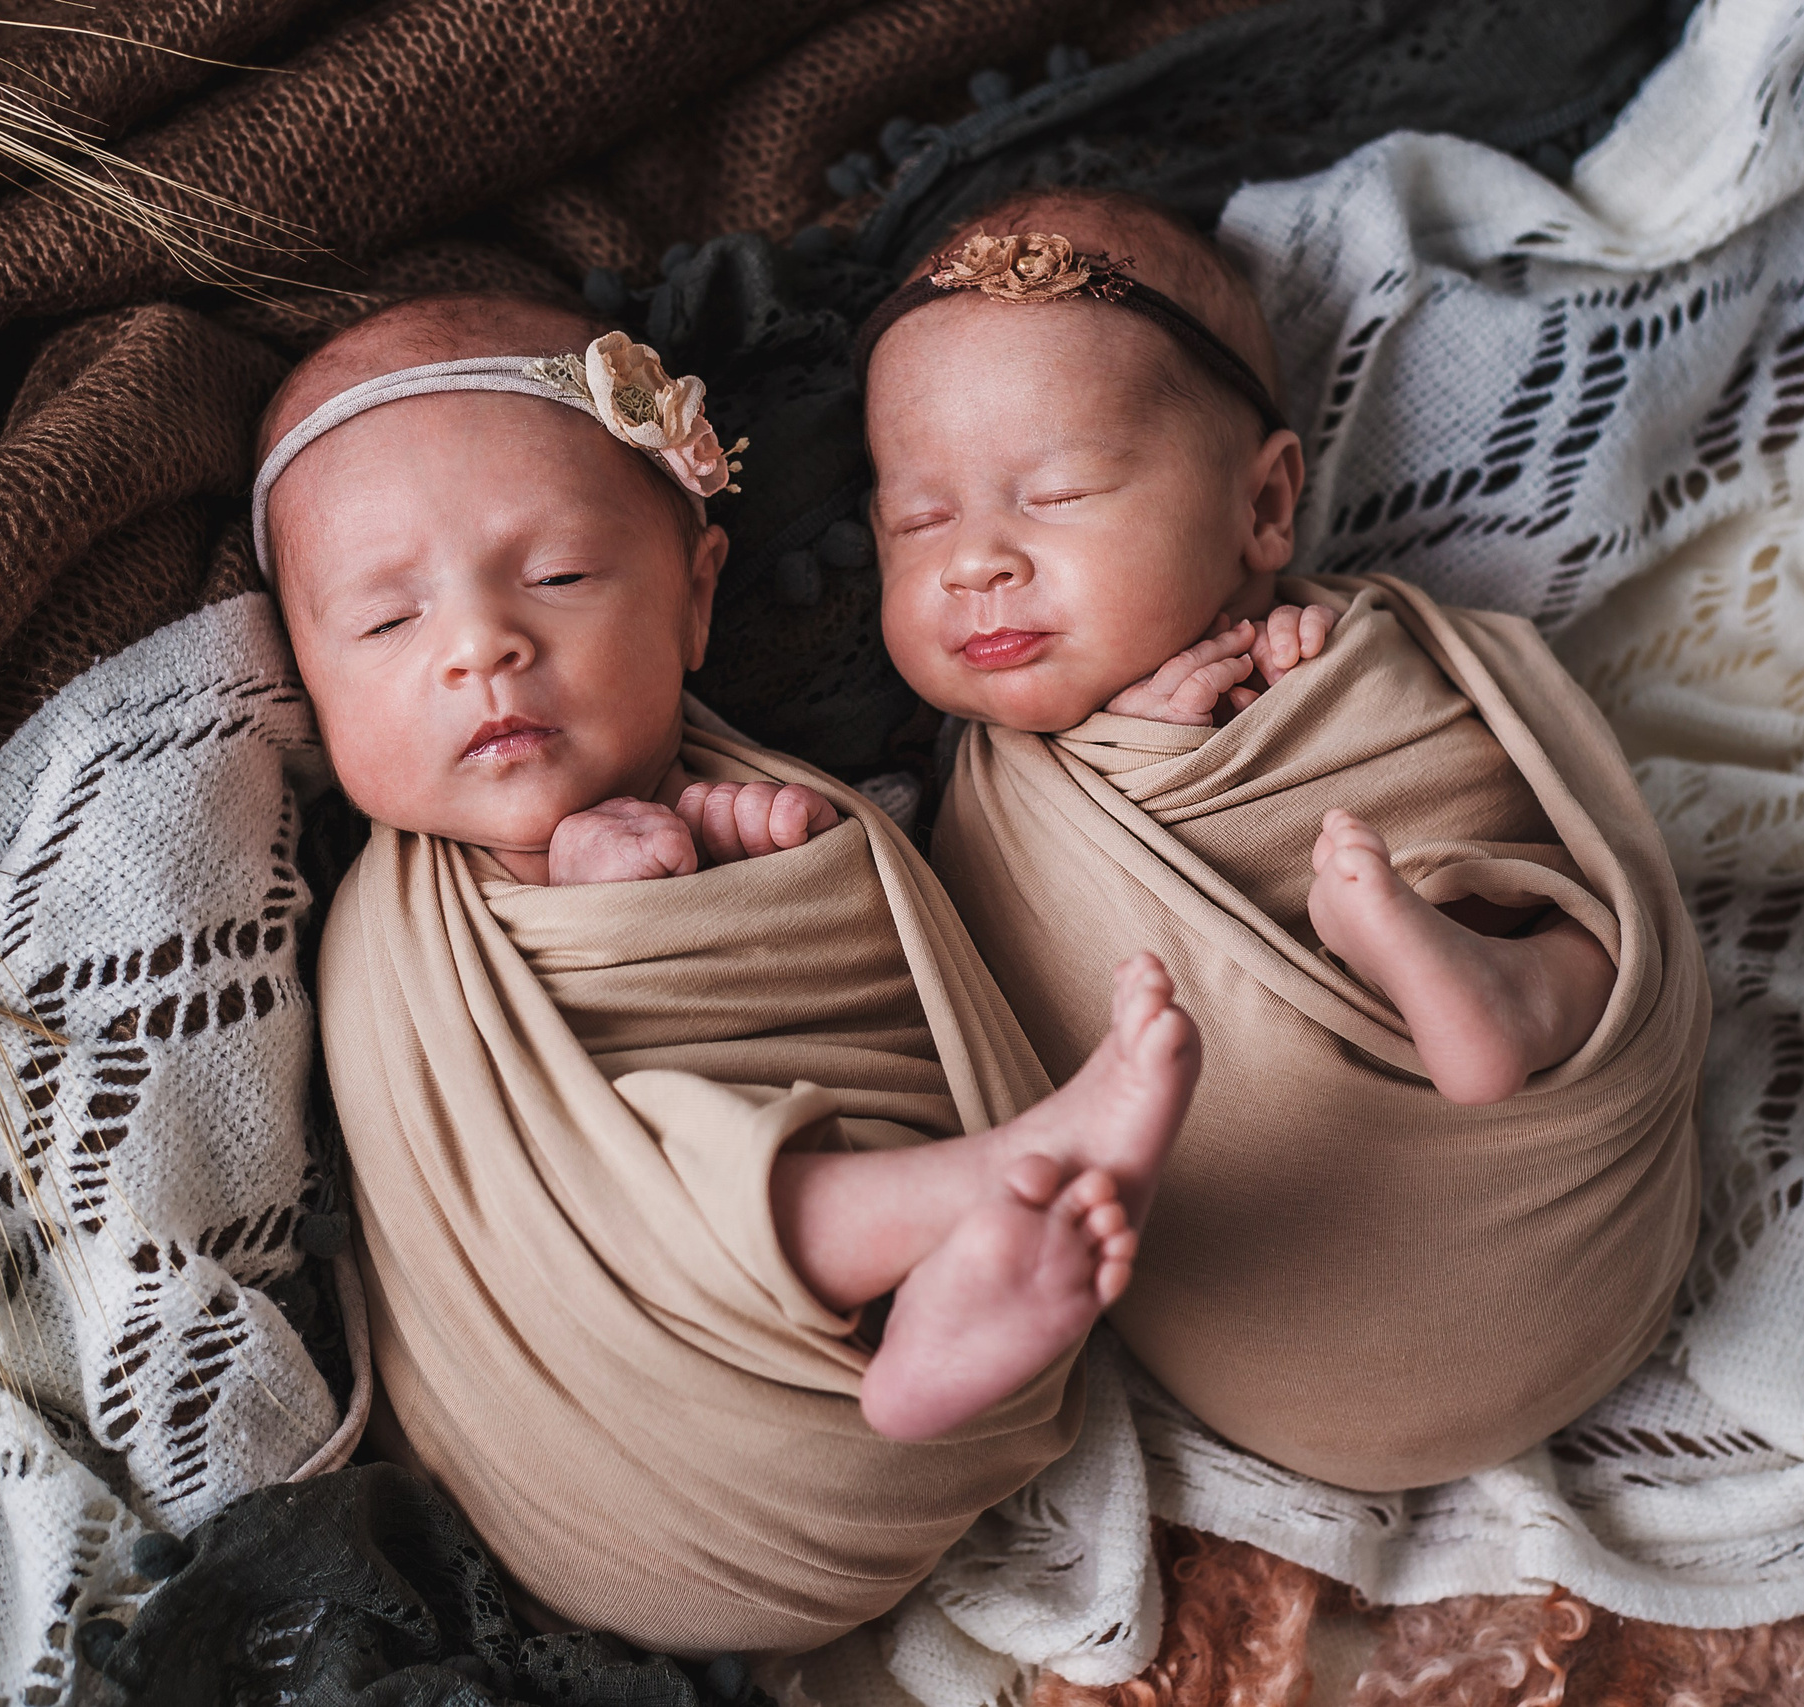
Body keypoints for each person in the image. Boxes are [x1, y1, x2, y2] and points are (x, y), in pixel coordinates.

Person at [256, 290, 1202, 1653]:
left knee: (792, 1118)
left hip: (896, 1420)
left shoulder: (782, 795)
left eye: (562, 578)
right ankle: (993, 1182)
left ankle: (943, 1297)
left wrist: (755, 852)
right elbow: (496, 1165)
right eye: (388, 621)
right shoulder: (394, 938)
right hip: (633, 1475)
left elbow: (885, 989)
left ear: (697, 598)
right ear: (305, 676)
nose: (481, 646)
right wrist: (584, 903)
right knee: (679, 1149)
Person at [863, 189, 1710, 1491]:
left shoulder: (1329, 644)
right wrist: (1147, 752)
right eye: (918, 519)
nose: (975, 561)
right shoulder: (974, 792)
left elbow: (1468, 772)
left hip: (1544, 1241)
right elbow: (1005, 1006)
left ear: (1265, 510)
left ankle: (1502, 988)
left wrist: (1299, 700)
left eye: (1056, 493)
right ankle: (1491, 985)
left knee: (1539, 907)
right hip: (1303, 1331)